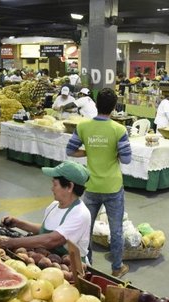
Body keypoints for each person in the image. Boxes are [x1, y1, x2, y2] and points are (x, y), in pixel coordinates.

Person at [66, 88, 131, 278]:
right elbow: (126, 159)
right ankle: (117, 267)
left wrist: (88, 152)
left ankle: (88, 266)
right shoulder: (118, 130)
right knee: (116, 229)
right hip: (112, 186)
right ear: (113, 107)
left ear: (95, 103)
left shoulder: (83, 127)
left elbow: (70, 151)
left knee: (86, 228)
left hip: (91, 186)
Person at [0, 161, 92, 260]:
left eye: (55, 185)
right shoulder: (54, 205)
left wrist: (10, 242)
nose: (52, 189)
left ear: (69, 187)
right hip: (49, 260)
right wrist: (19, 223)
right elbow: (46, 231)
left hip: (71, 268)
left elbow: (52, 240)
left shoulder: (80, 214)